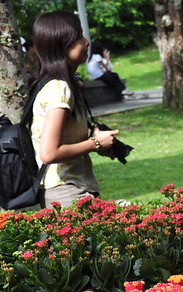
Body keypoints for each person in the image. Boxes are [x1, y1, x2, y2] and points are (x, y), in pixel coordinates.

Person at [30, 11, 121, 208]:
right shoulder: (58, 88)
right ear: (61, 44)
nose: (86, 42)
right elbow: (49, 153)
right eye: (79, 36)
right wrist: (95, 143)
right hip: (66, 192)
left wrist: (96, 141)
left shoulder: (59, 84)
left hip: (70, 188)